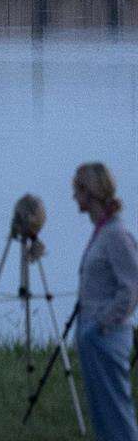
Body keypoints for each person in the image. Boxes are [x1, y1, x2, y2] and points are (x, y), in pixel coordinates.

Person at [74, 162, 138, 441]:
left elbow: (132, 287)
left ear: (89, 192)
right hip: (93, 334)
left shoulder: (116, 235)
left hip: (106, 336)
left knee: (117, 415)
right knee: (102, 415)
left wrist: (103, 323)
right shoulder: (102, 231)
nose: (73, 198)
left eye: (77, 190)